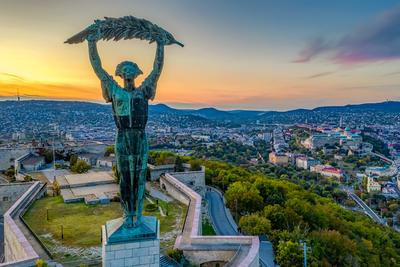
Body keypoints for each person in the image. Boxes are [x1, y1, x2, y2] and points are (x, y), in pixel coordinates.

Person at [87, 32, 165, 228]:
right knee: (124, 177)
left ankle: (137, 212)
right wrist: (91, 42)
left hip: (140, 136)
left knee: (139, 177)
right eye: (125, 68)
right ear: (120, 73)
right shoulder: (114, 90)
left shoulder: (144, 90)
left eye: (132, 68)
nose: (128, 71)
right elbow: (98, 68)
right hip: (122, 137)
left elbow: (157, 70)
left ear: (136, 73)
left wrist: (160, 44)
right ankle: (126, 212)